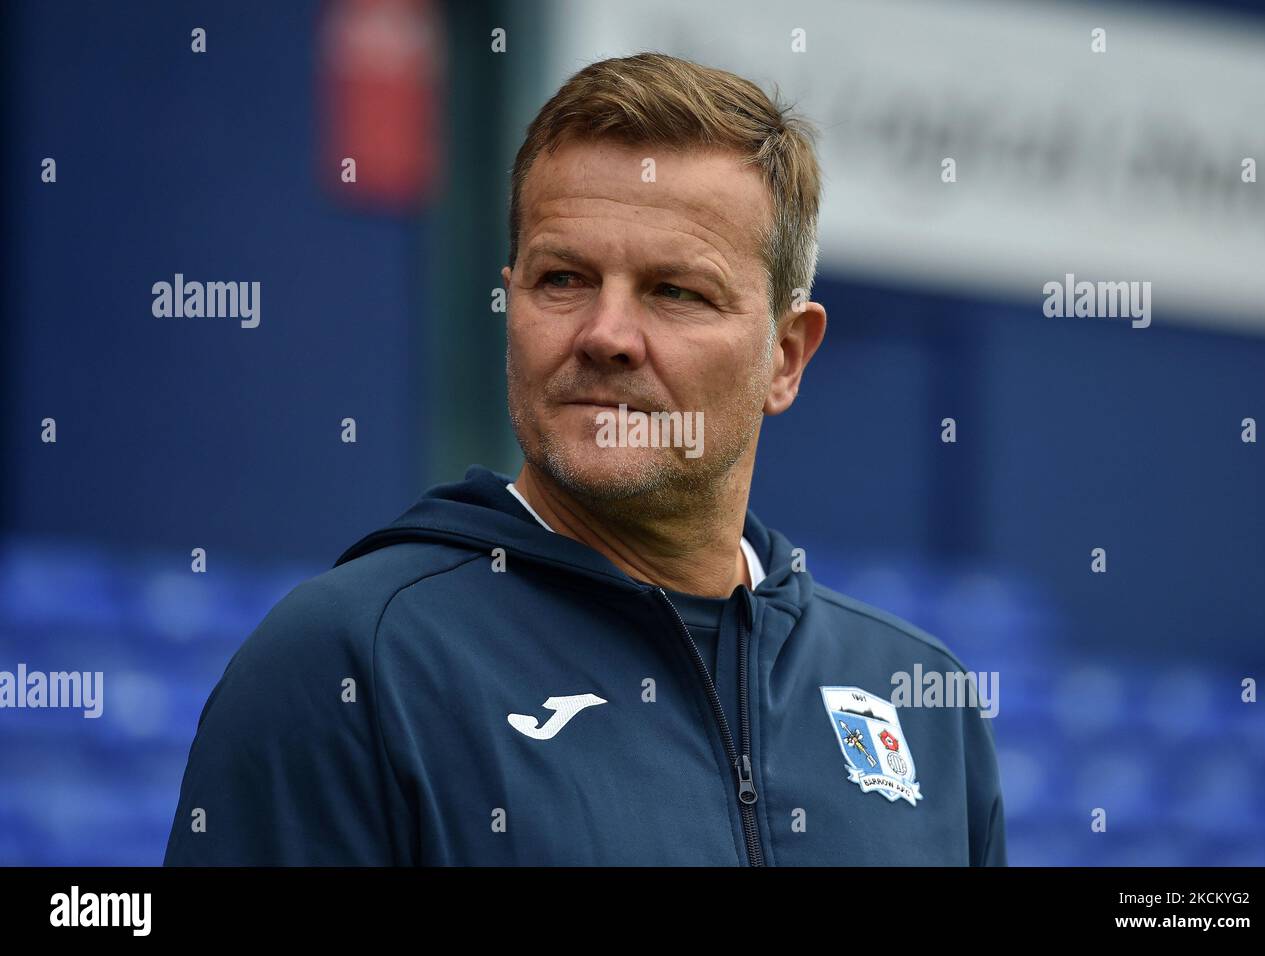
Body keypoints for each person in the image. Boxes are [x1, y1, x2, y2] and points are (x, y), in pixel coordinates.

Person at [164, 52, 1005, 866]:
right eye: (562, 279)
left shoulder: (917, 696)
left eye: (676, 292)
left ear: (786, 356)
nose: (605, 335)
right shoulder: (353, 662)